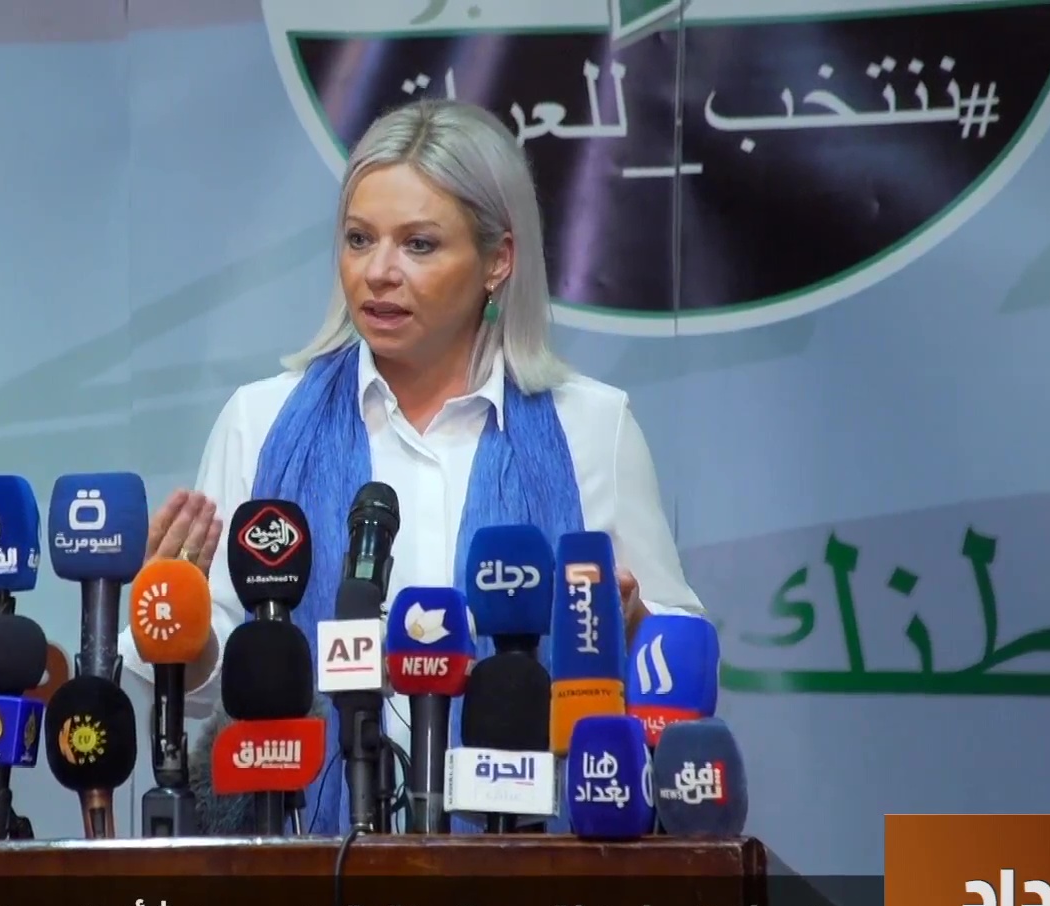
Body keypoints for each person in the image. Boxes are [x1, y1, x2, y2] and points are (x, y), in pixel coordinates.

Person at [120, 99, 703, 835]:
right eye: (359, 239)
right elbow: (208, 692)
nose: (379, 272)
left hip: (538, 865)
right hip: (307, 867)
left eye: (419, 245)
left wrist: (630, 626)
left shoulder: (592, 427)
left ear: (498, 260)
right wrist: (178, 624)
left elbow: (678, 668)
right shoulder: (261, 422)